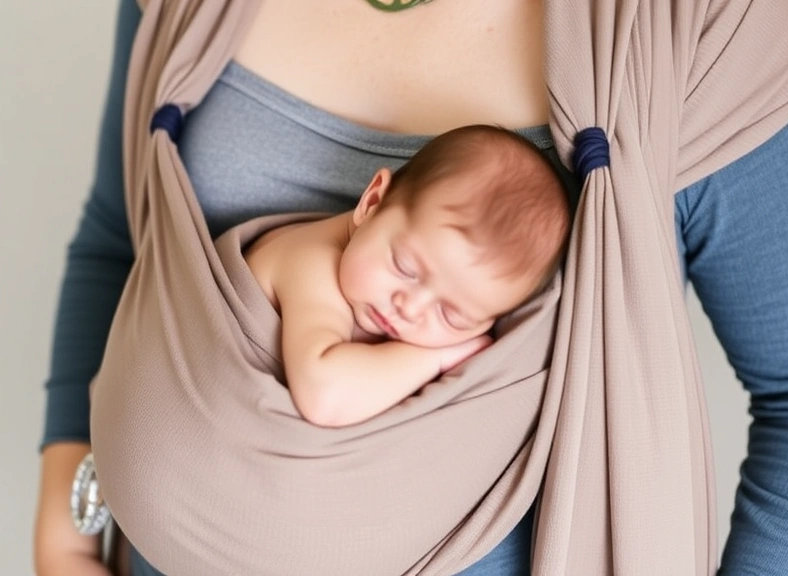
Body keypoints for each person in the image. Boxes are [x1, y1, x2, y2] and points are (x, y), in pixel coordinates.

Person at [34, 1, 788, 575]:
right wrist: (68, 519)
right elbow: (122, 237)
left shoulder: (699, 24)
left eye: (450, 308)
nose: (415, 310)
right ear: (374, 198)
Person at [244, 125, 569, 427]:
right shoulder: (310, 263)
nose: (409, 308)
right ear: (372, 202)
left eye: (451, 316)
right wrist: (433, 358)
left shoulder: (374, 279)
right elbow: (325, 398)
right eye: (405, 268)